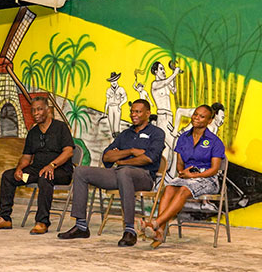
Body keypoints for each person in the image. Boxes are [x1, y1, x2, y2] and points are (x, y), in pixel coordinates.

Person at [58, 99, 164, 247]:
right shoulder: (125, 134)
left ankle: (129, 230)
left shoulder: (157, 133)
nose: (134, 115)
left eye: (138, 112)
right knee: (81, 171)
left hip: (144, 177)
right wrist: (131, 151)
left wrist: (122, 160)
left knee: (124, 172)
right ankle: (81, 226)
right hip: (118, 173)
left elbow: (149, 158)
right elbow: (106, 156)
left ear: (148, 113)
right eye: (132, 111)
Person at [0, 97, 74, 235]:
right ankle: (4, 218)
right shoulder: (33, 132)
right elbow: (26, 157)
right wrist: (19, 169)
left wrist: (52, 165)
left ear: (48, 110)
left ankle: (42, 222)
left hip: (60, 171)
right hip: (37, 170)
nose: (36, 113)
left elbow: (69, 151)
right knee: (8, 176)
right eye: (33, 110)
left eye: (39, 109)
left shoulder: (60, 127)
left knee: (45, 176)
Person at [143, 104, 226, 249]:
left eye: (202, 116)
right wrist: (183, 172)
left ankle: (155, 224)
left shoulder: (215, 142)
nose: (196, 118)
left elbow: (214, 170)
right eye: (195, 114)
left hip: (208, 179)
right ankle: (161, 232)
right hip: (187, 176)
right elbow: (180, 163)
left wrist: (195, 175)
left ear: (209, 121)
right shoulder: (183, 138)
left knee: (183, 190)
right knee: (168, 188)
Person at [104, 71, 127, 138]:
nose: (113, 82)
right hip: (110, 108)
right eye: (112, 81)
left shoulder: (121, 89)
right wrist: (105, 111)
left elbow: (125, 98)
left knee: (116, 124)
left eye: (115, 80)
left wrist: (120, 105)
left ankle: (117, 139)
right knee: (111, 124)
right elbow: (107, 101)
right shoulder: (108, 90)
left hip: (117, 107)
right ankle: (113, 137)